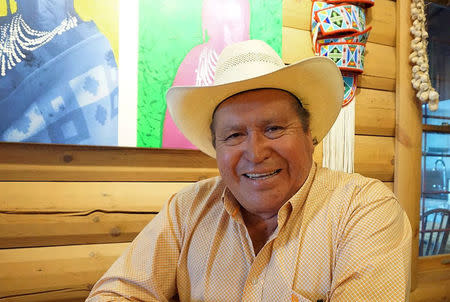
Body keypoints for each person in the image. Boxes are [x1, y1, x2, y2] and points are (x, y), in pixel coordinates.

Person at [87, 40, 411, 301]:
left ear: (310, 136)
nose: (255, 153)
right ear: (217, 148)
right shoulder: (186, 210)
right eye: (234, 135)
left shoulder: (364, 209)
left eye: (273, 128)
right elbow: (114, 294)